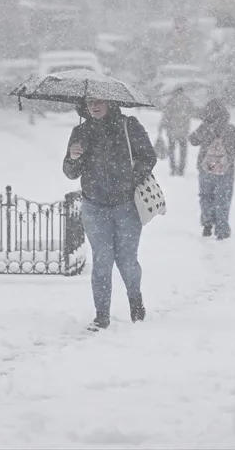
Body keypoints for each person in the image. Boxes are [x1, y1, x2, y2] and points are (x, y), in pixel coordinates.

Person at [63, 97, 157, 330]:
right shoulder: (81, 132)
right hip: (94, 205)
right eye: (90, 102)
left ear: (110, 103)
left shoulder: (129, 126)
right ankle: (101, 314)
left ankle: (135, 301)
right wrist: (73, 159)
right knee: (102, 260)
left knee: (126, 261)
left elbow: (148, 157)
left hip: (126, 206)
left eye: (100, 102)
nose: (94, 106)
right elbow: (70, 172)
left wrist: (129, 180)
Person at [189, 99, 235, 240]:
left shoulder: (205, 127)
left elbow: (192, 140)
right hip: (226, 170)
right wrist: (229, 155)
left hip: (206, 168)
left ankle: (207, 224)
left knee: (206, 196)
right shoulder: (230, 129)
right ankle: (222, 228)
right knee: (223, 198)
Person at [158, 86, 196, 176]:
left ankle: (173, 168)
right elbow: (191, 113)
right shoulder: (188, 101)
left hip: (172, 131)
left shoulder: (171, 101)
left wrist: (161, 127)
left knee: (172, 150)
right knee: (183, 151)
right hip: (183, 131)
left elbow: (165, 116)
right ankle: (181, 169)